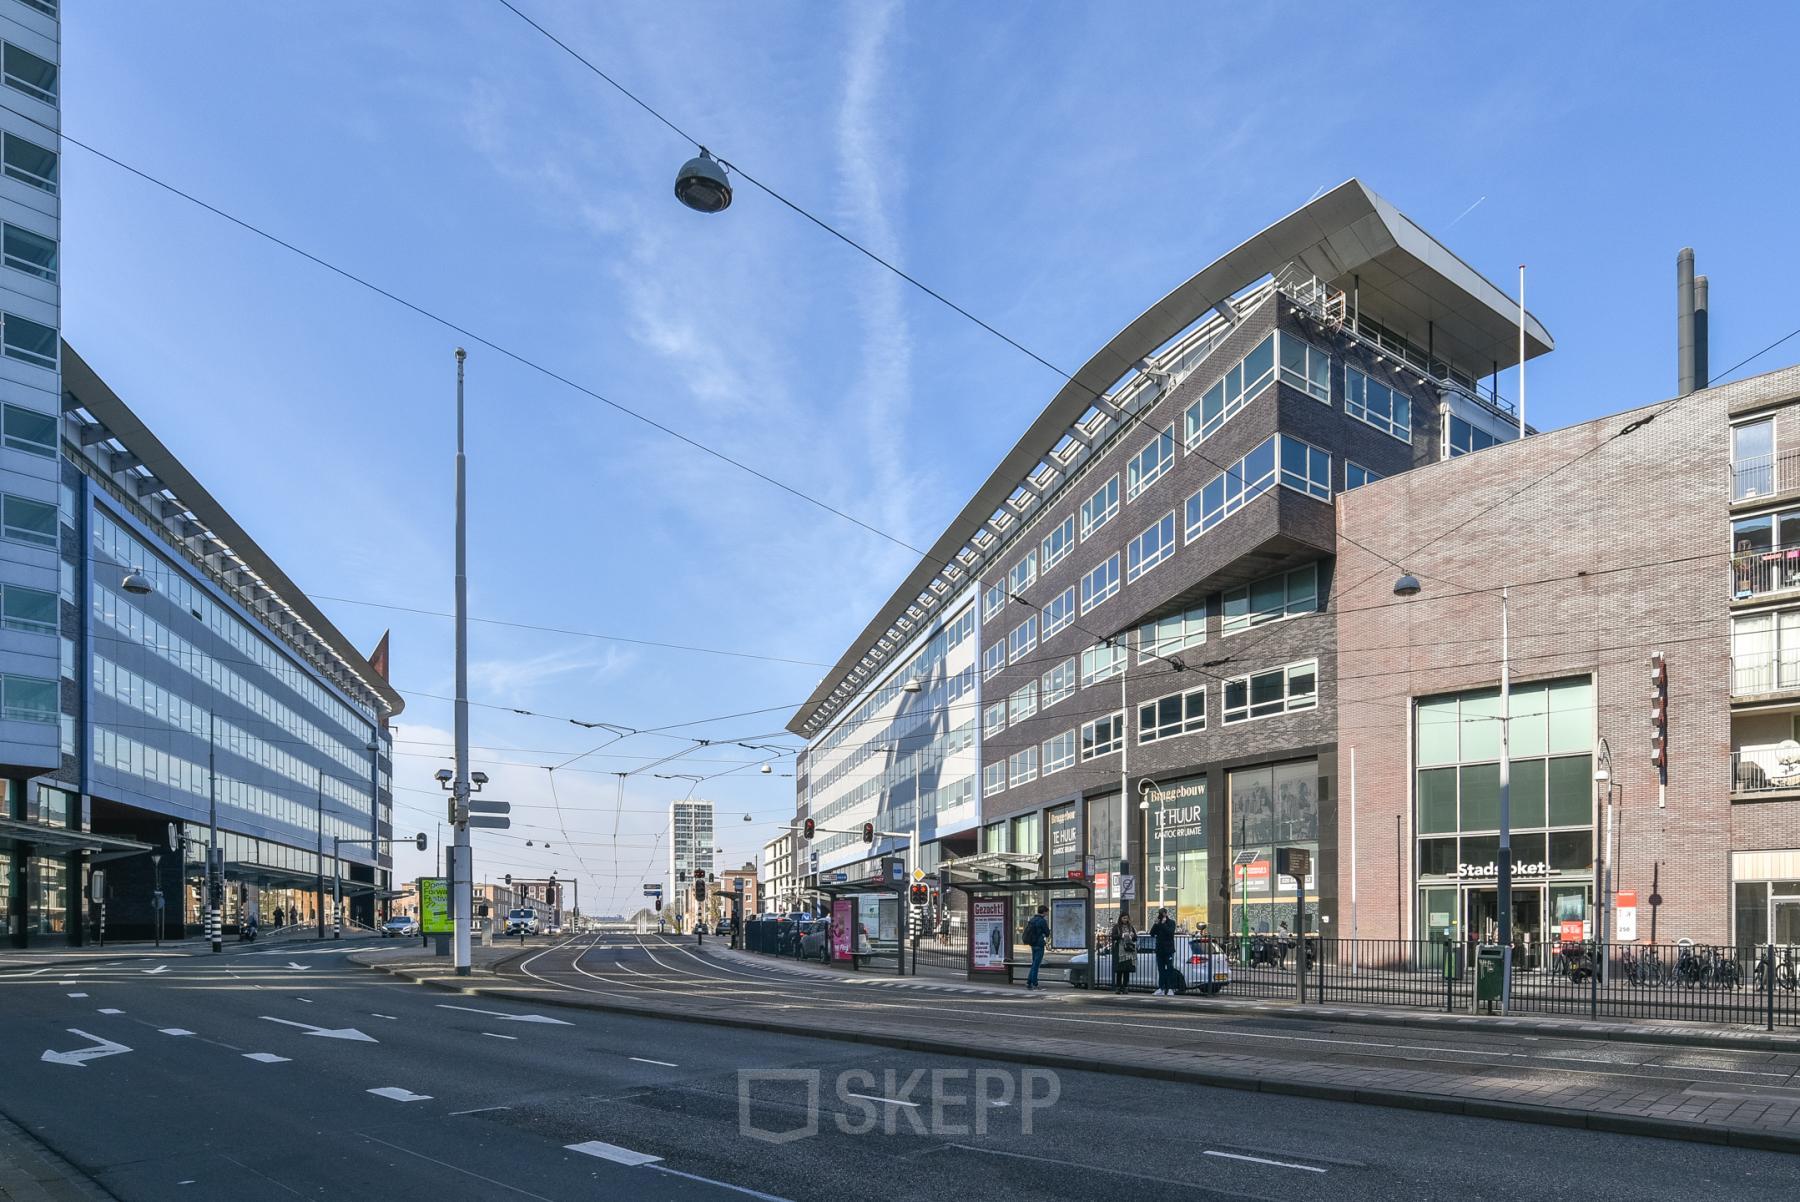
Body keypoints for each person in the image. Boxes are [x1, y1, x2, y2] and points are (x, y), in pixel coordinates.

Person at [1150, 907, 1179, 996]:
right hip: (1160, 950)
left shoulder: (1171, 923)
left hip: (1169, 950)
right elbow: (1152, 933)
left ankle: (1170, 988)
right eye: (1160, 913)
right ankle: (1161, 988)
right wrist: (1156, 924)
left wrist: (1163, 924)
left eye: (1163, 913)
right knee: (1161, 969)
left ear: (1166, 914)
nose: (1162, 915)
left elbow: (1170, 933)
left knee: (1169, 969)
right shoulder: (1158, 923)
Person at [1023, 905, 1050, 990]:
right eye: (1047, 912)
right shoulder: (1042, 921)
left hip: (1033, 944)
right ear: (1044, 912)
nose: (1047, 913)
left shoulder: (1032, 919)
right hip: (1039, 944)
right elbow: (1047, 933)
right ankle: (1035, 983)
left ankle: (1029, 982)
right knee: (1036, 965)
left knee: (1034, 964)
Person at [1110, 911, 1137, 994]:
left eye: (1127, 918)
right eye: (1124, 918)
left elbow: (1135, 938)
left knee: (1126, 970)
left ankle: (1125, 987)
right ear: (1120, 918)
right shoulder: (1116, 927)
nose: (1125, 920)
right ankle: (1118, 987)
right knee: (1119, 970)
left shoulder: (1131, 927)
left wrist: (1133, 936)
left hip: (1129, 951)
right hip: (1120, 950)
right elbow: (1113, 937)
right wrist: (1121, 936)